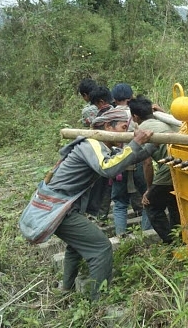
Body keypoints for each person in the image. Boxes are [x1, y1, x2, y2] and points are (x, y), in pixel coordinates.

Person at [51, 108, 157, 300]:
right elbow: (108, 168)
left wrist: (154, 142)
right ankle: (99, 301)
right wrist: (135, 142)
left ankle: (65, 289)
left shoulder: (105, 147)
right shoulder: (91, 144)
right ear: (108, 126)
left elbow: (132, 157)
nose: (126, 133)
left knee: (76, 245)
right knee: (101, 247)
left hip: (64, 207)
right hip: (57, 208)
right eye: (124, 128)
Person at [129, 95, 181, 245]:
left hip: (170, 165)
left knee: (150, 204)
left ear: (135, 116)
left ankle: (171, 241)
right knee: (173, 201)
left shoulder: (143, 131)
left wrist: (149, 188)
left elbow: (147, 163)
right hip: (184, 162)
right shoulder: (164, 120)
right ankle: (181, 239)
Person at [109, 83, 151, 236]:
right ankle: (145, 233)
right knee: (147, 198)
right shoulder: (137, 113)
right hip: (138, 160)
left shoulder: (110, 115)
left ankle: (121, 235)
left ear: (114, 98)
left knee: (120, 203)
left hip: (118, 162)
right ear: (131, 96)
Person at [85, 85, 115, 221]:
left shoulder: (102, 118)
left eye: (96, 104)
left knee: (104, 188)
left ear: (101, 102)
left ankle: (100, 215)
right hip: (118, 156)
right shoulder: (118, 112)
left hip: (105, 156)